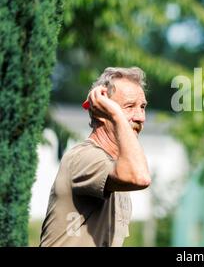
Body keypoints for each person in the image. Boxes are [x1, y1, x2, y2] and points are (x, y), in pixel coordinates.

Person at [40, 67, 151, 247]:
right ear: (102, 113)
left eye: (143, 107)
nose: (140, 117)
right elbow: (140, 177)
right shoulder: (84, 157)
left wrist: (118, 115)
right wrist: (115, 114)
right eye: (129, 106)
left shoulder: (117, 170)